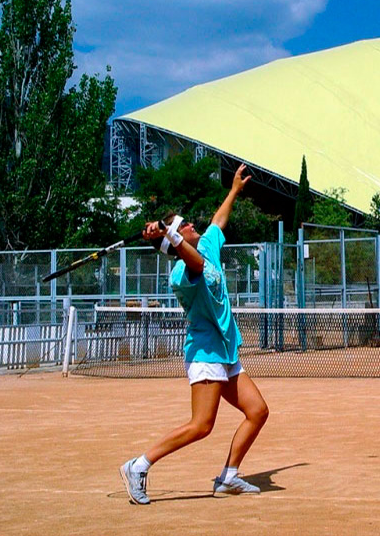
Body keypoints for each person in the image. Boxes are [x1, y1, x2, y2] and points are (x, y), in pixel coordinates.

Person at [120, 164, 269, 505]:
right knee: (202, 425)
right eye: (183, 225)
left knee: (258, 411)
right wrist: (168, 234)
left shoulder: (208, 245)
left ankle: (229, 477)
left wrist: (234, 190)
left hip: (225, 350)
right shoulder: (179, 275)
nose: (191, 225)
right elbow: (196, 266)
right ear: (175, 240)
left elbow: (218, 221)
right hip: (204, 352)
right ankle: (138, 465)